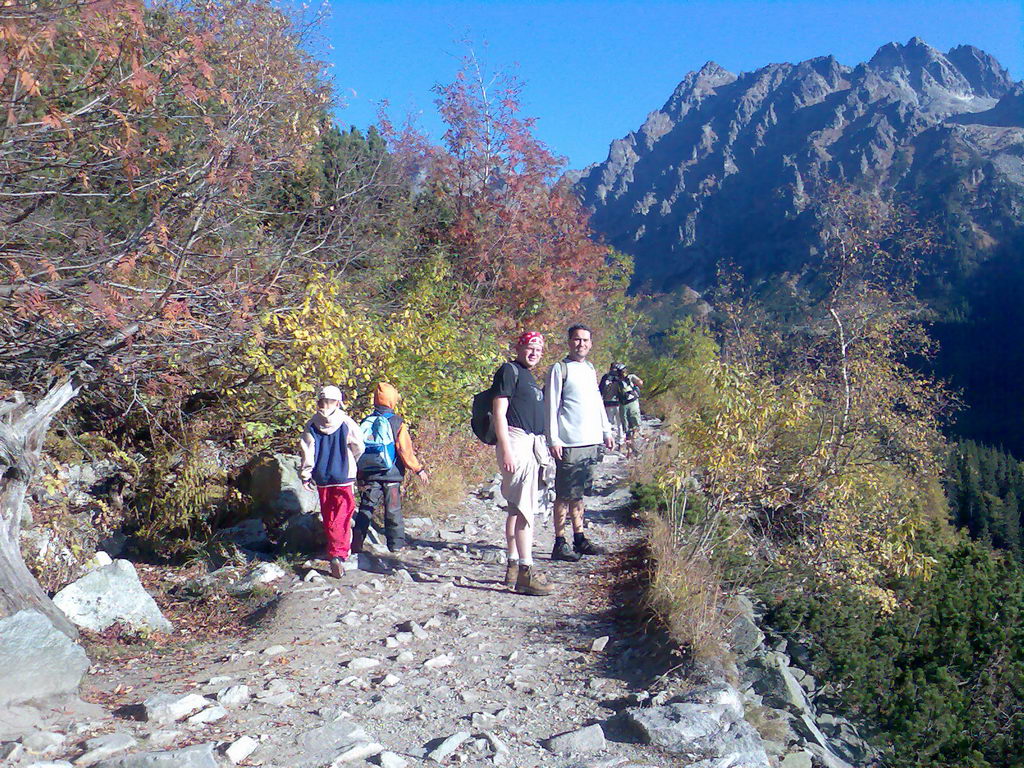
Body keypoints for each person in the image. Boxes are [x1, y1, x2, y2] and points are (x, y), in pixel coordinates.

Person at [492, 331, 554, 596]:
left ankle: (513, 566)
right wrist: (506, 449)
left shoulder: (528, 377)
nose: (535, 352)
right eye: (530, 347)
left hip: (530, 445)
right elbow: (499, 412)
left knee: (517, 508)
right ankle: (526, 572)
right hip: (517, 443)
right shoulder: (509, 371)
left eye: (539, 349)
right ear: (519, 347)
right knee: (526, 509)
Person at [545, 324, 614, 561]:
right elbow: (551, 405)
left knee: (579, 494)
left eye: (585, 340)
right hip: (569, 442)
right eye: (576, 340)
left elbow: (597, 401)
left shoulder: (590, 369)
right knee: (564, 494)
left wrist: (606, 430)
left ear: (591, 344)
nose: (581, 344)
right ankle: (559, 542)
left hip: (591, 441)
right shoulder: (560, 369)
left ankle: (580, 538)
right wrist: (553, 439)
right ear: (569, 342)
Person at [352, 382, 429, 554]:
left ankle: (356, 544)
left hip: (370, 473)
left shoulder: (366, 421)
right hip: (391, 474)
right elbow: (404, 450)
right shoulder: (397, 422)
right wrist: (418, 469)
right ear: (393, 401)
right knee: (393, 509)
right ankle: (396, 546)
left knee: (366, 507)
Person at [299, 385, 364, 578]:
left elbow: (307, 452)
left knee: (329, 515)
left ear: (319, 402)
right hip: (344, 475)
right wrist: (352, 461)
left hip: (322, 477)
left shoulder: (311, 424)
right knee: (343, 514)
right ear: (338, 402)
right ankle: (339, 553)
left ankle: (334, 549)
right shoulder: (346, 422)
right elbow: (358, 446)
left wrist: (306, 474)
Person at [615, 363, 644, 451]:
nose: (622, 373)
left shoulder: (631, 377)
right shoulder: (615, 381)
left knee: (634, 423)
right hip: (623, 403)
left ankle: (634, 442)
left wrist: (636, 385)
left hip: (631, 402)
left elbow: (640, 382)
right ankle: (629, 449)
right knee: (626, 426)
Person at [599, 363, 625, 449]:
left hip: (608, 403)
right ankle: (620, 442)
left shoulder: (606, 377)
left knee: (609, 423)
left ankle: (609, 442)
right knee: (620, 423)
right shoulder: (620, 377)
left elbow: (600, 389)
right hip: (619, 403)